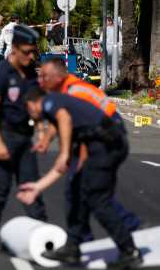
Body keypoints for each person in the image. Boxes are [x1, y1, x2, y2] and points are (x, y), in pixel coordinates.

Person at [19, 89, 142, 269]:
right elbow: (65, 164)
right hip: (102, 146)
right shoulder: (66, 119)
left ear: (32, 103)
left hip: (108, 146)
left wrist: (64, 152)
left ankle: (129, 250)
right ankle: (73, 248)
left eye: (29, 111)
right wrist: (38, 187)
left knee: (98, 201)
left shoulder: (51, 102)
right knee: (76, 191)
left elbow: (64, 119)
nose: (33, 117)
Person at [34, 58, 141, 240]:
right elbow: (62, 118)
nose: (40, 81)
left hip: (106, 136)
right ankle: (80, 239)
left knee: (92, 192)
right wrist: (47, 137)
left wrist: (74, 157)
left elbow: (80, 123)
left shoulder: (75, 92)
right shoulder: (63, 90)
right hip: (96, 135)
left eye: (44, 76)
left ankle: (124, 231)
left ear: (58, 77)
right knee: (80, 189)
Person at [0, 24, 47, 251]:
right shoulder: (1, 73)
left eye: (33, 52)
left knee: (31, 185)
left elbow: (35, 103)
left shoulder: (30, 73)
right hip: (4, 135)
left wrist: (40, 131)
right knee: (0, 188)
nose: (31, 56)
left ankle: (42, 233)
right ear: (15, 49)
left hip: (24, 137)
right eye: (27, 52)